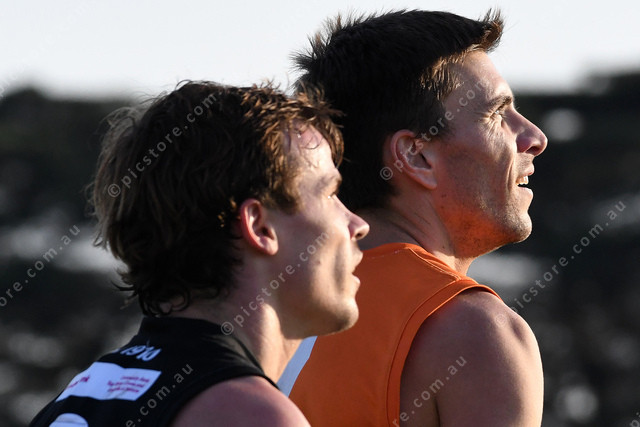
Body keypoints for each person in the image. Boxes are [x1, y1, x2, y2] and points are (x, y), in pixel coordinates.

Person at [30, 81, 369, 426]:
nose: (357, 224)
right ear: (259, 226)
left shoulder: (72, 400)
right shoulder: (250, 415)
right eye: (330, 193)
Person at [282, 9, 548, 426]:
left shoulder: (265, 317)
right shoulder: (475, 331)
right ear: (416, 156)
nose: (534, 137)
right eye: (497, 114)